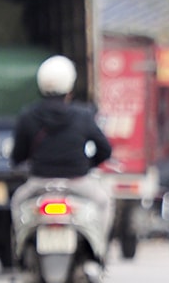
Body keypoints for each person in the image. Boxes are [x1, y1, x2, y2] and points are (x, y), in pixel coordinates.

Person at [10, 55, 114, 248]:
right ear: (69, 85)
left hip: (38, 183)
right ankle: (100, 251)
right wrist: (87, 164)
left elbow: (17, 156)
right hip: (78, 182)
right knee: (104, 202)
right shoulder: (83, 115)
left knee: (17, 203)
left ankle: (20, 250)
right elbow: (105, 150)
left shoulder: (28, 116)